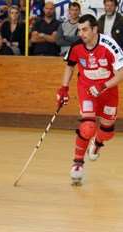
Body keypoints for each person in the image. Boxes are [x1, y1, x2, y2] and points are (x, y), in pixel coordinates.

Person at [57, 14, 123, 186]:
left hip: (108, 89)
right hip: (86, 89)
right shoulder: (76, 46)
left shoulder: (109, 45)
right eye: (79, 30)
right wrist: (63, 88)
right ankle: (78, 163)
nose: (81, 33)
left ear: (95, 29)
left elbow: (121, 73)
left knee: (107, 131)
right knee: (87, 126)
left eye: (85, 29)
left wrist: (102, 86)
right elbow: (70, 66)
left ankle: (97, 143)